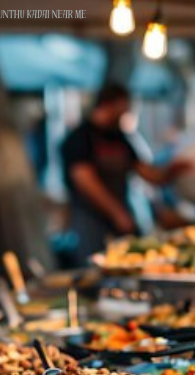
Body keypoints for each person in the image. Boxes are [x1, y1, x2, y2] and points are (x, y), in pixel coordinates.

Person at [61, 84, 188, 264]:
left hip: (121, 218)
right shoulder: (79, 138)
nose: (128, 110)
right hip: (90, 220)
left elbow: (147, 174)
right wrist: (117, 213)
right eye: (125, 105)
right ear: (110, 104)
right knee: (94, 270)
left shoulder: (120, 138)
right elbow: (85, 180)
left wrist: (172, 171)